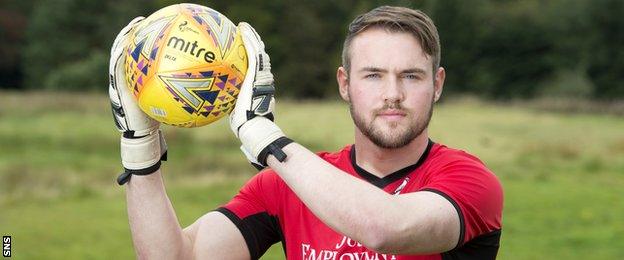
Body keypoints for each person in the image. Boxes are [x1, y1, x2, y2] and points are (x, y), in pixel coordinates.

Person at [109, 5, 503, 260]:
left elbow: (386, 228)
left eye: (411, 76)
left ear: (437, 84)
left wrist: (262, 135)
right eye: (373, 75)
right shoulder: (286, 186)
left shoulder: (468, 180)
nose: (392, 95)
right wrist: (139, 148)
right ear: (345, 84)